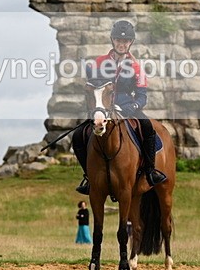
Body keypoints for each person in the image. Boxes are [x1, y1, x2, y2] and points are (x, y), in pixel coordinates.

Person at [71, 19, 168, 195]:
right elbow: (92, 86)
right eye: (118, 40)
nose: (121, 44)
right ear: (112, 40)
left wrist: (132, 107)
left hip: (127, 107)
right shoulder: (99, 62)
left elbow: (142, 96)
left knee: (147, 127)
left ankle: (150, 171)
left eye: (125, 41)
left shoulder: (136, 67)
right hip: (103, 108)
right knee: (78, 135)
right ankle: (89, 177)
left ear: (131, 42)